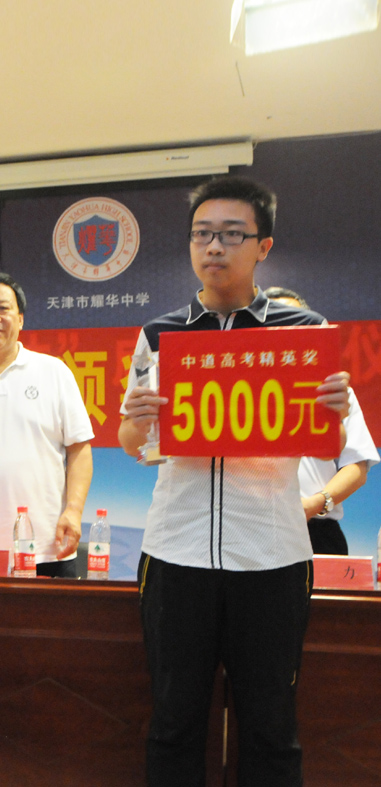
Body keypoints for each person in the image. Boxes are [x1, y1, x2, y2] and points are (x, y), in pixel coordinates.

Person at [118, 176, 351, 786]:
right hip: (175, 552)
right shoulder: (159, 333)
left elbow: (328, 442)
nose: (214, 247)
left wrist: (332, 409)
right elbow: (134, 443)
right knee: (173, 723)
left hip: (271, 555)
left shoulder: (303, 331)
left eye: (230, 234)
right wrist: (136, 421)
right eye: (202, 234)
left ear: (263, 246)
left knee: (271, 726)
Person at [0, 270, 93, 577]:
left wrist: (74, 510)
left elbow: (79, 449)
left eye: (3, 308)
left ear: (21, 318)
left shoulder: (54, 372)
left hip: (49, 547)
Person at [263, 286, 378, 554]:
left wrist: (316, 504)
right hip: (249, 527)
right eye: (275, 322)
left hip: (317, 527)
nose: (285, 331)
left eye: (295, 322)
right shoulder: (235, 391)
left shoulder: (335, 392)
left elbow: (356, 467)